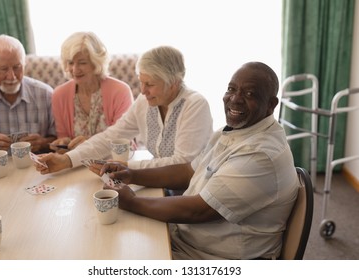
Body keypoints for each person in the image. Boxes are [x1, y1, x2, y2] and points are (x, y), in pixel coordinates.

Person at [96, 62, 299, 260]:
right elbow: (189, 171)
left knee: (115, 254)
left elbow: (199, 211)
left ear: (271, 105)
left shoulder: (261, 154)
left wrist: (132, 201)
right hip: (189, 240)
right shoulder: (233, 131)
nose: (235, 99)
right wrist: (132, 174)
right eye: (231, 89)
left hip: (213, 257)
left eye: (249, 94)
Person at [36, 45, 213, 172]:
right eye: (141, 82)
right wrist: (66, 160)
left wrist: (125, 167)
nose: (143, 91)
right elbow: (111, 137)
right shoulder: (144, 102)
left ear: (173, 83)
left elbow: (182, 164)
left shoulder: (195, 105)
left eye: (150, 84)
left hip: (190, 189)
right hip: (158, 182)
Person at [0, 34, 56, 154]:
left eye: (17, 67)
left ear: (24, 63)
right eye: (3, 69)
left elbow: (61, 141)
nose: (12, 76)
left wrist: (43, 144)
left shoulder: (46, 94)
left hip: (37, 169)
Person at [50, 32, 133, 152]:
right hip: (76, 165)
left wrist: (89, 144)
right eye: (70, 63)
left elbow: (123, 141)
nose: (75, 69)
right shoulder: (59, 95)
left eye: (82, 63)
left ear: (96, 63)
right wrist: (64, 143)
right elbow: (63, 137)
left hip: (114, 163)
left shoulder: (120, 92)